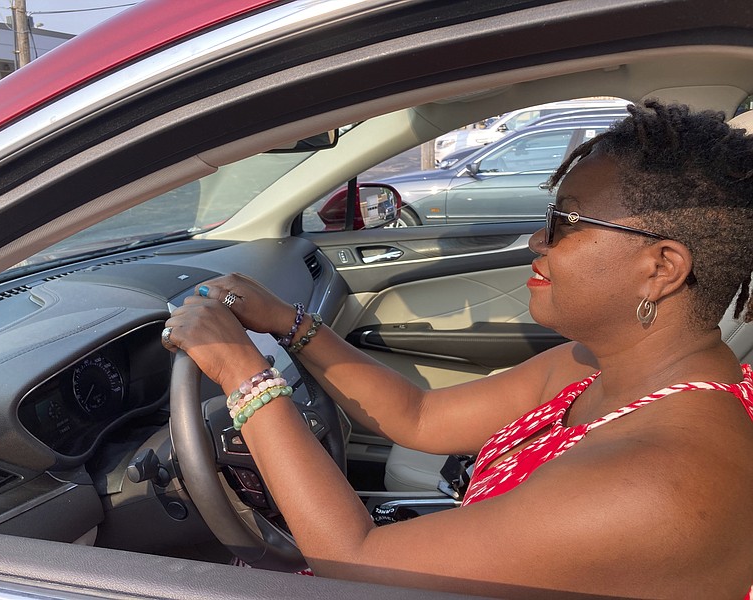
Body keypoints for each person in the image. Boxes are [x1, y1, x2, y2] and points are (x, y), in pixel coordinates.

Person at [162, 101, 753, 599]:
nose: (536, 240)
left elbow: (355, 561)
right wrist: (289, 324)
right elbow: (420, 416)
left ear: (662, 268)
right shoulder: (601, 366)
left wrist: (244, 375)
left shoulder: (660, 480)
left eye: (565, 223)